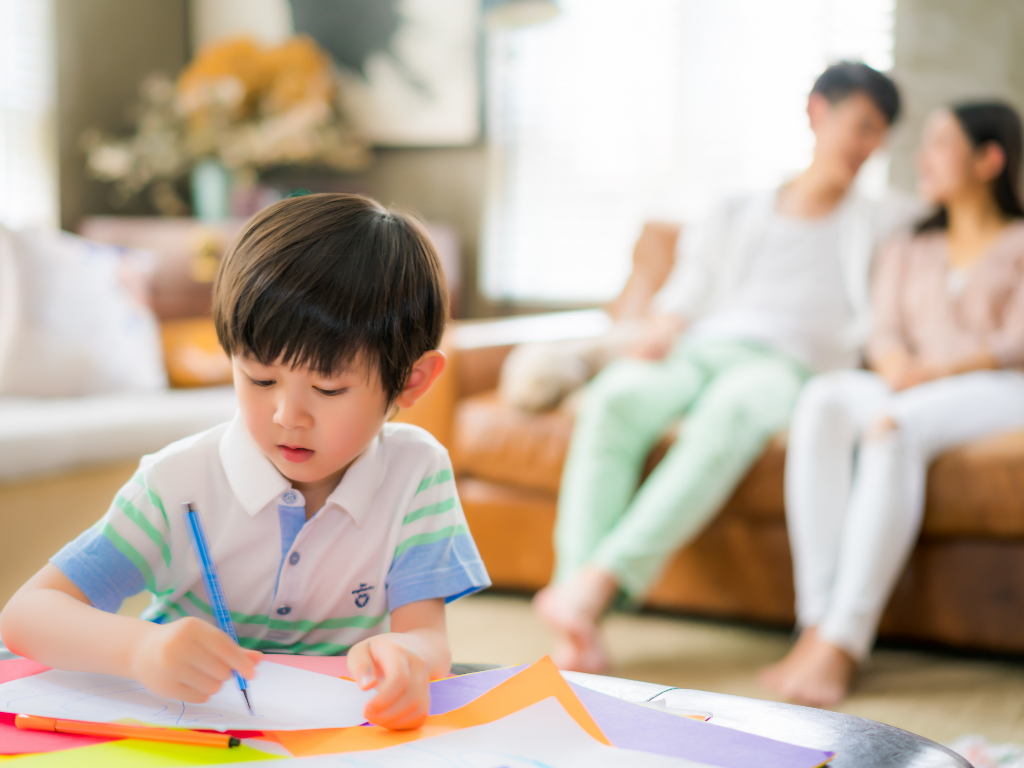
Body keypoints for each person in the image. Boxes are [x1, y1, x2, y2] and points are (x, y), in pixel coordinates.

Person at [0, 194, 491, 730]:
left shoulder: (417, 473)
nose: (288, 415)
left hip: (324, 736)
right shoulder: (177, 481)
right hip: (184, 731)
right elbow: (27, 615)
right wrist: (140, 650)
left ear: (411, 380)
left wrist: (407, 659)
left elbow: (426, 636)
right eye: (260, 378)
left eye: (328, 388)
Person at [533, 62, 923, 673]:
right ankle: (576, 612)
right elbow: (687, 292)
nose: (868, 146)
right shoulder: (738, 210)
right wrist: (660, 328)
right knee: (615, 399)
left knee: (730, 417)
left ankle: (599, 582)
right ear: (817, 112)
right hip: (701, 349)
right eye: (860, 125)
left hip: (784, 367)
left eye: (880, 134)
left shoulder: (886, 220)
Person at [760, 101, 1024, 706]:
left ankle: (845, 643)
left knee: (892, 426)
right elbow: (883, 329)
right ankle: (816, 620)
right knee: (824, 397)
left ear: (989, 159)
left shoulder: (1018, 242)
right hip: (915, 380)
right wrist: (896, 362)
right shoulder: (911, 244)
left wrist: (939, 368)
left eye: (939, 144)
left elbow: (1016, 340)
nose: (920, 158)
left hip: (1003, 386)